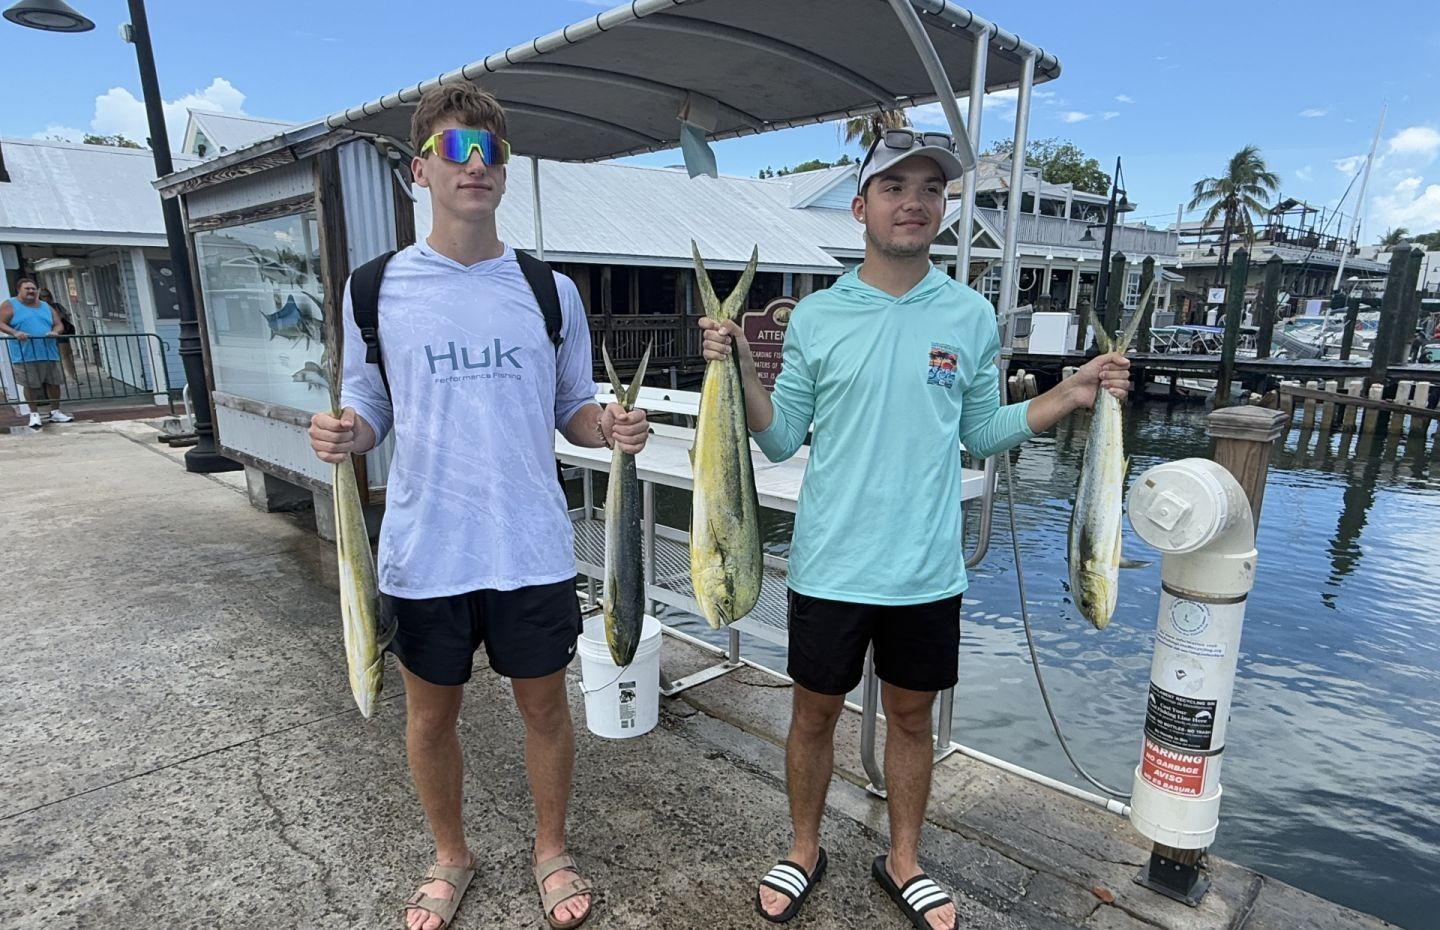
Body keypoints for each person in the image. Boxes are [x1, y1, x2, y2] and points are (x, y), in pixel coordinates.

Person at [700, 129, 1132, 930]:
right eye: (895, 187)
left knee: (910, 719)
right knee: (813, 716)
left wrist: (1071, 395)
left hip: (927, 570)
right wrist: (741, 371)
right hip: (830, 564)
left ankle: (904, 859)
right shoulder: (818, 315)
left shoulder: (969, 314)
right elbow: (781, 436)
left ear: (944, 208)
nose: (915, 202)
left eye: (931, 189)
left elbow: (983, 432)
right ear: (860, 207)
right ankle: (803, 848)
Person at [307, 84, 649, 930]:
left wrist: (607, 427)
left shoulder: (549, 289)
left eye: (492, 152)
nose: (476, 166)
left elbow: (571, 408)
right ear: (419, 171)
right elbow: (368, 404)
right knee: (431, 717)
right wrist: (347, 433)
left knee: (545, 709)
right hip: (425, 550)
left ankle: (551, 849)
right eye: (456, 150)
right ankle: (450, 855)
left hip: (530, 545)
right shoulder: (373, 289)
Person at [1, 278, 74, 428]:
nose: (31, 291)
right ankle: (34, 414)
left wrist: (55, 332)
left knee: (54, 383)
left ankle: (55, 412)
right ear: (19, 290)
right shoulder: (10, 304)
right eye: (27, 289)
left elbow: (58, 324)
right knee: (30, 385)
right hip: (24, 354)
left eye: (33, 288)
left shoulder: (46, 306)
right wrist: (15, 332)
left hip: (49, 351)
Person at [38, 287, 79, 383]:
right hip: (47, 334)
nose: (46, 298)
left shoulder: (56, 306)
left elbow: (65, 315)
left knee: (67, 354)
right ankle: (68, 377)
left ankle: (72, 376)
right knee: (60, 356)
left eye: (47, 296)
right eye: (43, 296)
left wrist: (60, 318)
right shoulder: (39, 308)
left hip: (61, 333)